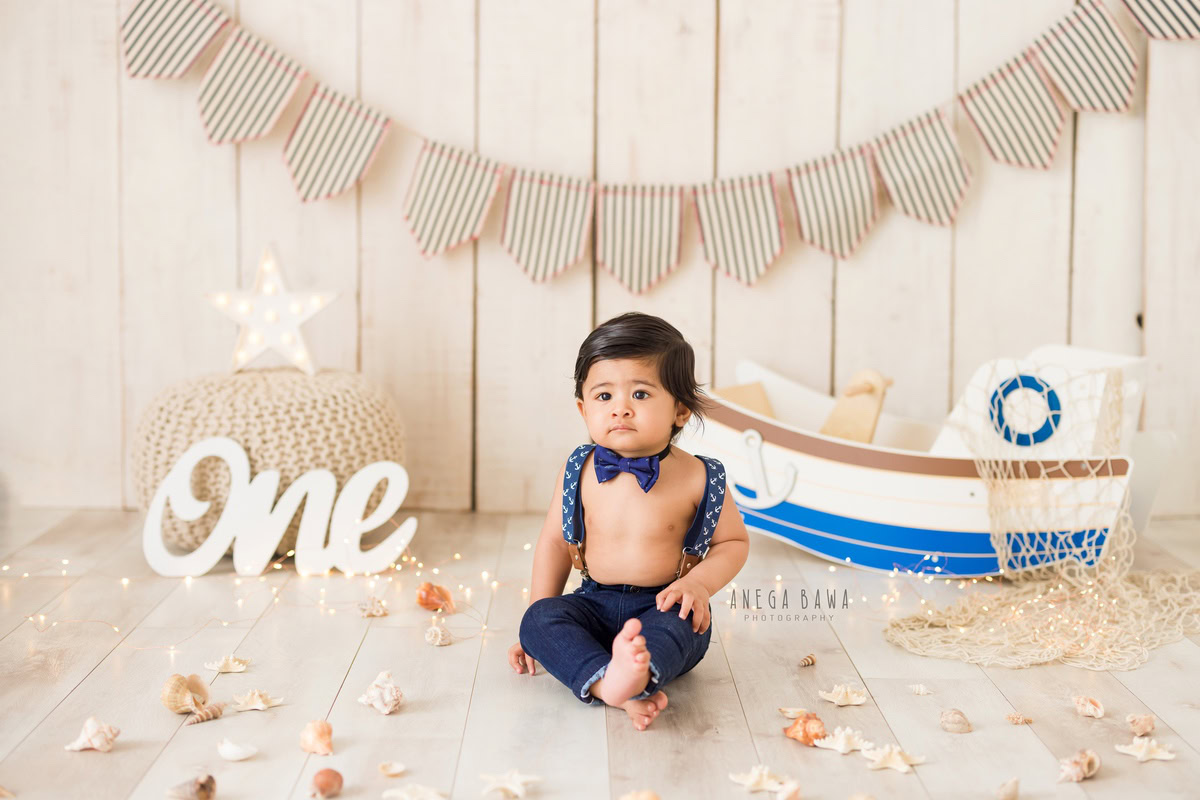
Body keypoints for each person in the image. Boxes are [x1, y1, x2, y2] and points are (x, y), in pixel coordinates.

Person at [508, 311, 750, 731]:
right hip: (591, 601)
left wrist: (697, 584)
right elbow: (553, 543)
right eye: (604, 397)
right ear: (584, 410)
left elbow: (733, 544)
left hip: (663, 604)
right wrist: (537, 613)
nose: (620, 409)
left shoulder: (699, 476)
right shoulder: (579, 469)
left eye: (640, 394)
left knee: (682, 630)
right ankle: (614, 684)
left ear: (680, 410)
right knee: (539, 620)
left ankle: (632, 674)